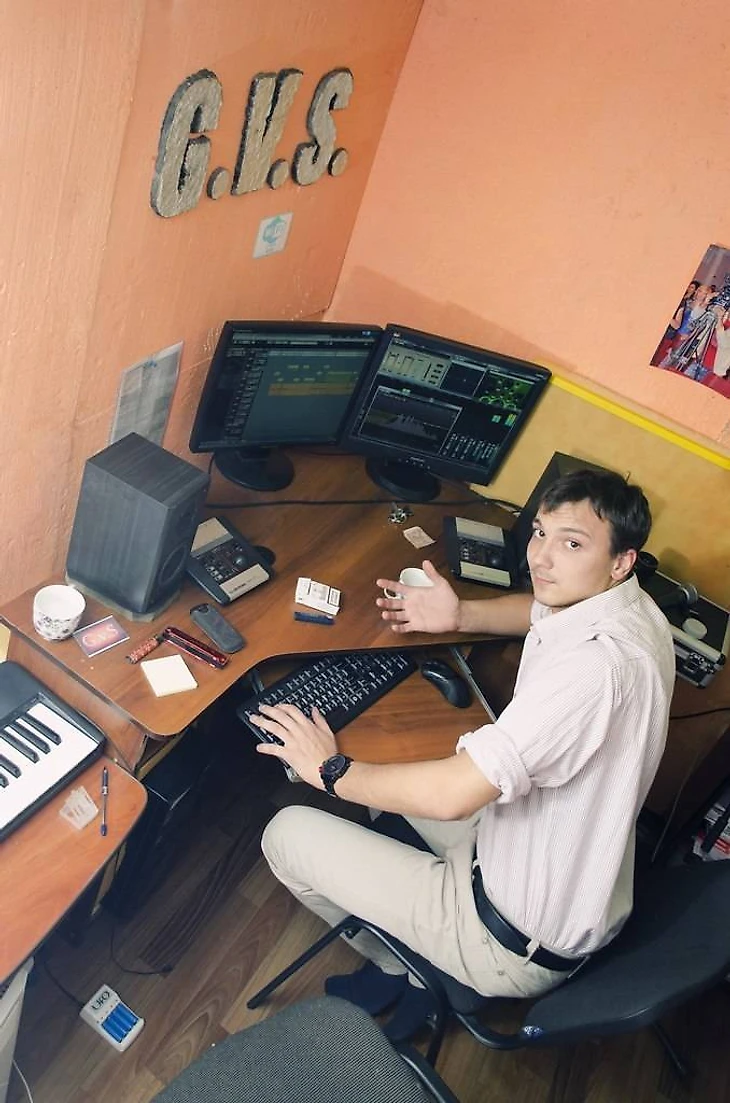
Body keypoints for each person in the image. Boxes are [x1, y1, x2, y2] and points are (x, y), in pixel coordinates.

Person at [251, 469, 675, 1040]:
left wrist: (328, 771)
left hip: (510, 939)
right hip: (535, 857)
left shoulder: (592, 673)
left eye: (572, 544)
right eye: (540, 533)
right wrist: (461, 617)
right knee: (388, 778)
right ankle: (412, 935)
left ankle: (402, 969)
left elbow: (452, 796)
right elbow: (537, 610)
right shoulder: (629, 607)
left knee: (286, 833)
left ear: (621, 560)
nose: (541, 558)